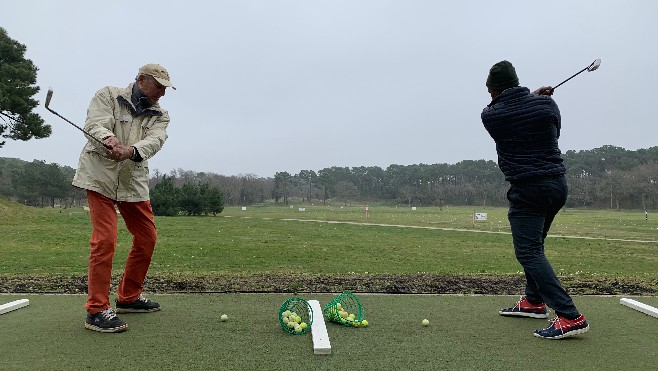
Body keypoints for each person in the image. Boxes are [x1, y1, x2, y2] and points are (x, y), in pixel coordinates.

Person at [481, 60, 589, 339]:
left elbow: (495, 109)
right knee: (535, 248)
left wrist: (530, 99)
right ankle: (533, 301)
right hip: (556, 186)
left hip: (528, 190)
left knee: (527, 252)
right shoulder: (548, 105)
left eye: (489, 90)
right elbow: (553, 130)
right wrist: (534, 99)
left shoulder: (492, 115)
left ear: (494, 89)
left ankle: (569, 315)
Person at [72, 64, 175, 333]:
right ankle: (96, 310)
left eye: (166, 87)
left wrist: (130, 150)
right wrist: (108, 140)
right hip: (99, 177)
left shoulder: (161, 115)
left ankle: (128, 297)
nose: (163, 92)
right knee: (105, 240)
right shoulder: (108, 95)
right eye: (159, 86)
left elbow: (156, 140)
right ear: (141, 80)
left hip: (133, 181)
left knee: (147, 237)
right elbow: (94, 124)